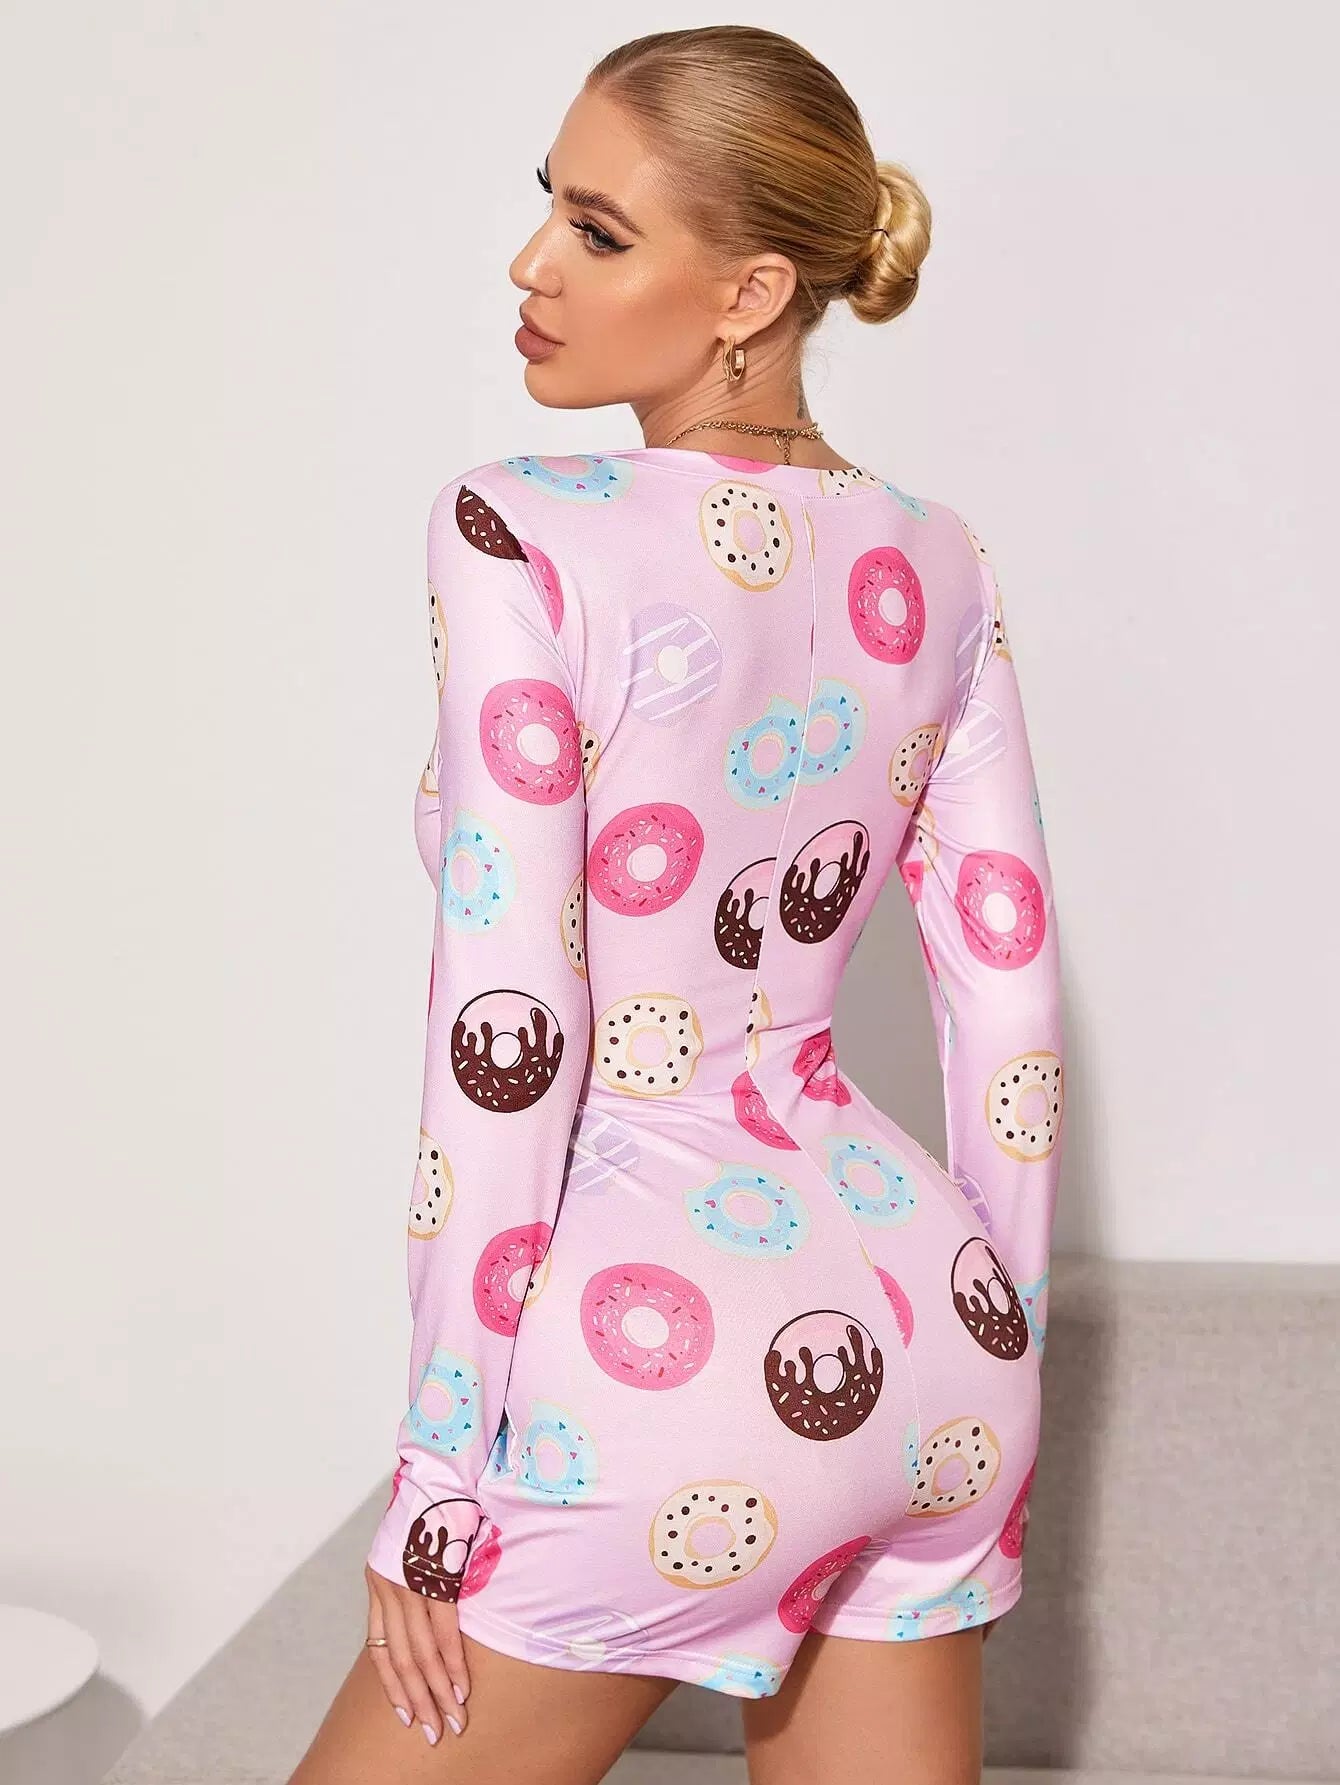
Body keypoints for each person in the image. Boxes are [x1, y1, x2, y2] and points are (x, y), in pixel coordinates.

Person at [289, 24, 1064, 1785]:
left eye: (598, 231)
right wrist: (1005, 1361)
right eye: (547, 209)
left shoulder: (520, 529)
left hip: (656, 1363)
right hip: (937, 1325)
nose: (532, 264)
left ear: (752, 291)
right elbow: (1009, 1008)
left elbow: (511, 1027)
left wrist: (439, 1470)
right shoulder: (937, 558)